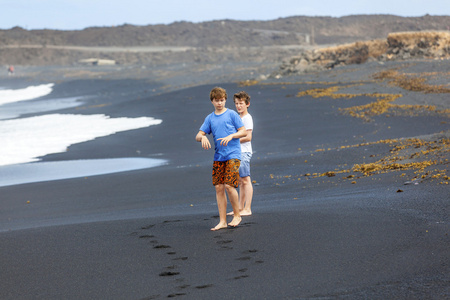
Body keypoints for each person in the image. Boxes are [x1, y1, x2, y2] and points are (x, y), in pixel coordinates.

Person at [196, 87, 247, 231]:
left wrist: (232, 136)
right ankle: (223, 221)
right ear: (212, 101)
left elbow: (243, 131)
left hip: (234, 154)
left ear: (225, 100)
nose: (220, 103)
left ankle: (237, 215)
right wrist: (203, 136)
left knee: (230, 185)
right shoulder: (210, 118)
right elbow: (198, 135)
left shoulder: (232, 114)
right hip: (219, 156)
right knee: (219, 187)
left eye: (222, 100)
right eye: (217, 101)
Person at [230, 91, 254, 216]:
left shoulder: (247, 118)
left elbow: (248, 137)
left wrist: (232, 139)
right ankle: (240, 208)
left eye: (241, 103)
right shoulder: (238, 118)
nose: (238, 106)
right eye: (236, 104)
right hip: (237, 152)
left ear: (247, 104)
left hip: (244, 152)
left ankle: (247, 208)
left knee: (245, 180)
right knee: (240, 181)